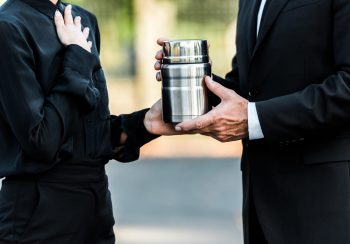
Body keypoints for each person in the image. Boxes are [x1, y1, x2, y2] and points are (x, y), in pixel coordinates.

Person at [154, 0, 350, 243]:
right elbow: (249, 88)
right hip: (260, 203)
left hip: (325, 202)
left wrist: (255, 119)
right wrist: (189, 74)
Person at [0, 0, 175, 243]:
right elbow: (42, 141)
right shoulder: (8, 27)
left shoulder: (83, 20)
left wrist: (145, 123)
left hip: (96, 213)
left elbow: (90, 135)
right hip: (39, 219)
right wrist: (77, 58)